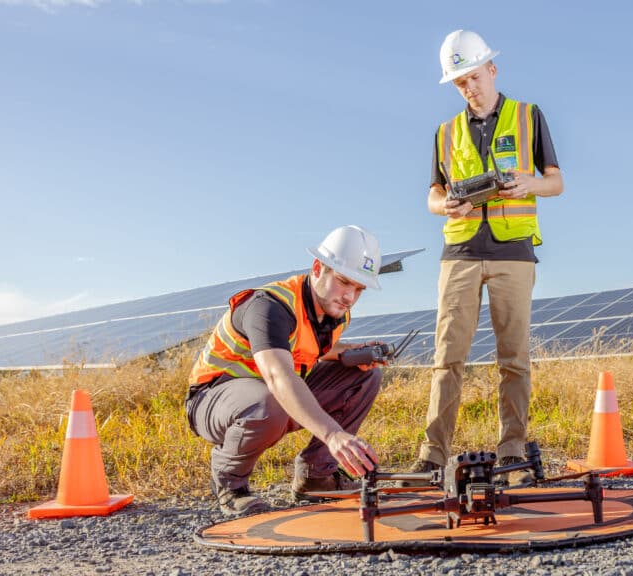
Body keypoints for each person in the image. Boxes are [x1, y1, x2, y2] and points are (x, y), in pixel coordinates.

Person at [405, 30, 564, 485]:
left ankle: (512, 451)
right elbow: (433, 194)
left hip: (513, 252)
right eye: (459, 83)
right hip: (459, 252)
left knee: (513, 358)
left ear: (492, 69)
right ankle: (434, 455)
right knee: (447, 356)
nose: (469, 87)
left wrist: (526, 184)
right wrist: (446, 205)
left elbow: (556, 182)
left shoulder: (528, 116)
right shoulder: (445, 132)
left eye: (473, 76)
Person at [186, 225, 385, 515]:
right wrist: (332, 435)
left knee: (365, 375)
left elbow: (311, 349)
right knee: (269, 398)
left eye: (359, 289)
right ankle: (231, 485)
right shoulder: (270, 307)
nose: (350, 297)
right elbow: (279, 376)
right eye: (344, 282)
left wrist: (359, 351)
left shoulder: (332, 313)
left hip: (266, 397)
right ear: (318, 268)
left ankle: (316, 476)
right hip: (212, 401)